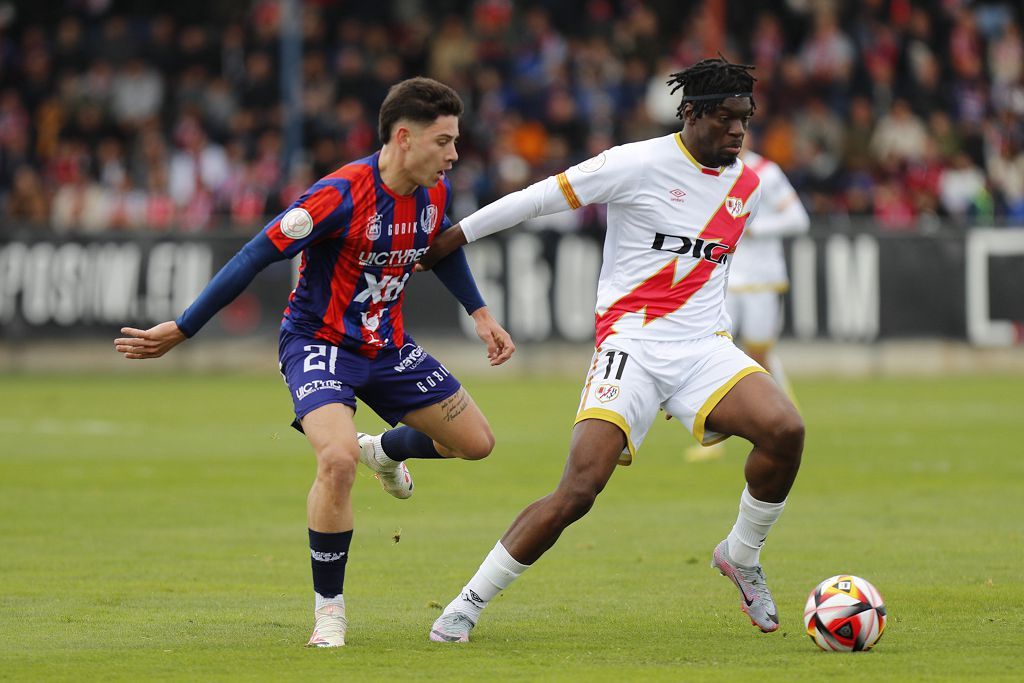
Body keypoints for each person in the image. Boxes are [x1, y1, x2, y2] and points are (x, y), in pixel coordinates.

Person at [113, 77, 515, 648]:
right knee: (335, 458)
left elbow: (437, 250)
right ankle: (330, 610)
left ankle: (383, 449)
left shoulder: (434, 191)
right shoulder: (340, 194)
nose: (454, 154)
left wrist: (479, 314)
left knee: (475, 443)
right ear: (404, 137)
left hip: (389, 347)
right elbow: (256, 253)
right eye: (444, 141)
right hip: (319, 344)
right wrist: (184, 327)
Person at [416, 58, 804, 642]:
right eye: (725, 119)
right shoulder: (636, 162)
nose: (737, 132)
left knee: (786, 430)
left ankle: (741, 555)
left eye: (744, 120)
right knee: (579, 490)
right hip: (632, 347)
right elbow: (538, 198)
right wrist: (456, 234)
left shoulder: (746, 183)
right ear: (691, 113)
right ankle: (467, 604)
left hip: (702, 349)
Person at [686, 134, 810, 462]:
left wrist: (756, 229)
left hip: (761, 281)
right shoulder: (711, 172)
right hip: (724, 281)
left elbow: (798, 219)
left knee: (759, 356)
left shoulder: (766, 172)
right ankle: (712, 437)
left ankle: (789, 418)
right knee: (713, 354)